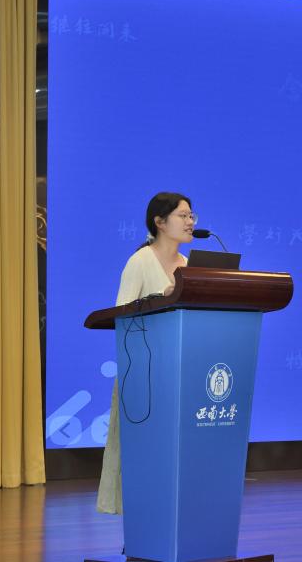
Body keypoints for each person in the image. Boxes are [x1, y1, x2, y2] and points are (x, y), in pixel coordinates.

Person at [97, 191, 196, 514]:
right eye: (183, 215)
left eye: (192, 216)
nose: (190, 222)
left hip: (180, 374)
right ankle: (141, 514)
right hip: (144, 374)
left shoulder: (188, 266)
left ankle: (173, 509)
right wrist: (161, 298)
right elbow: (122, 316)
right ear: (160, 222)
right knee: (143, 451)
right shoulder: (140, 261)